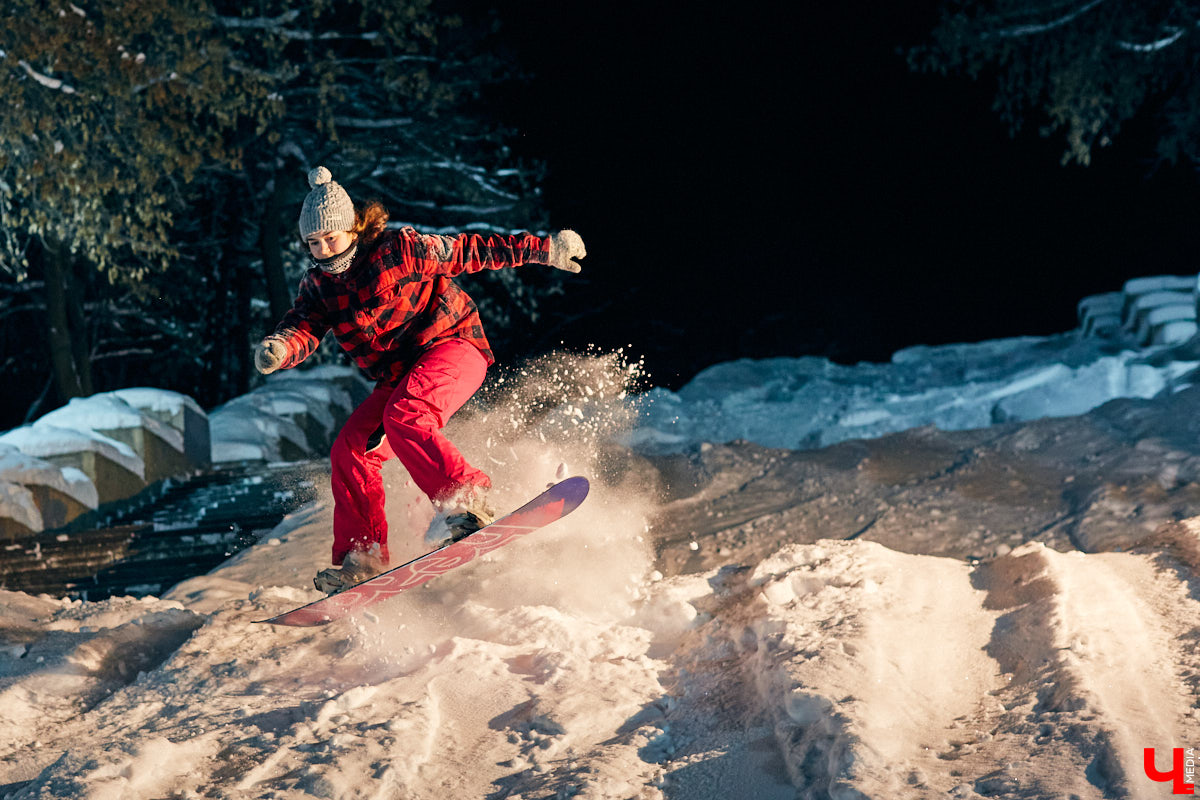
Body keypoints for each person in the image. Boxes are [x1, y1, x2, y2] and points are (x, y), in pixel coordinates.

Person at [255, 166, 586, 593]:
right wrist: (281, 348)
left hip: (454, 346)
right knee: (350, 449)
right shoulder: (318, 286)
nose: (323, 250)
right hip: (398, 375)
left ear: (352, 228)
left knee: (406, 415)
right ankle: (364, 555)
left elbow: (472, 249)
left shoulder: (402, 249)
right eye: (313, 244)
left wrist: (542, 249)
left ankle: (467, 498)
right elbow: (303, 326)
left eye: (330, 239)